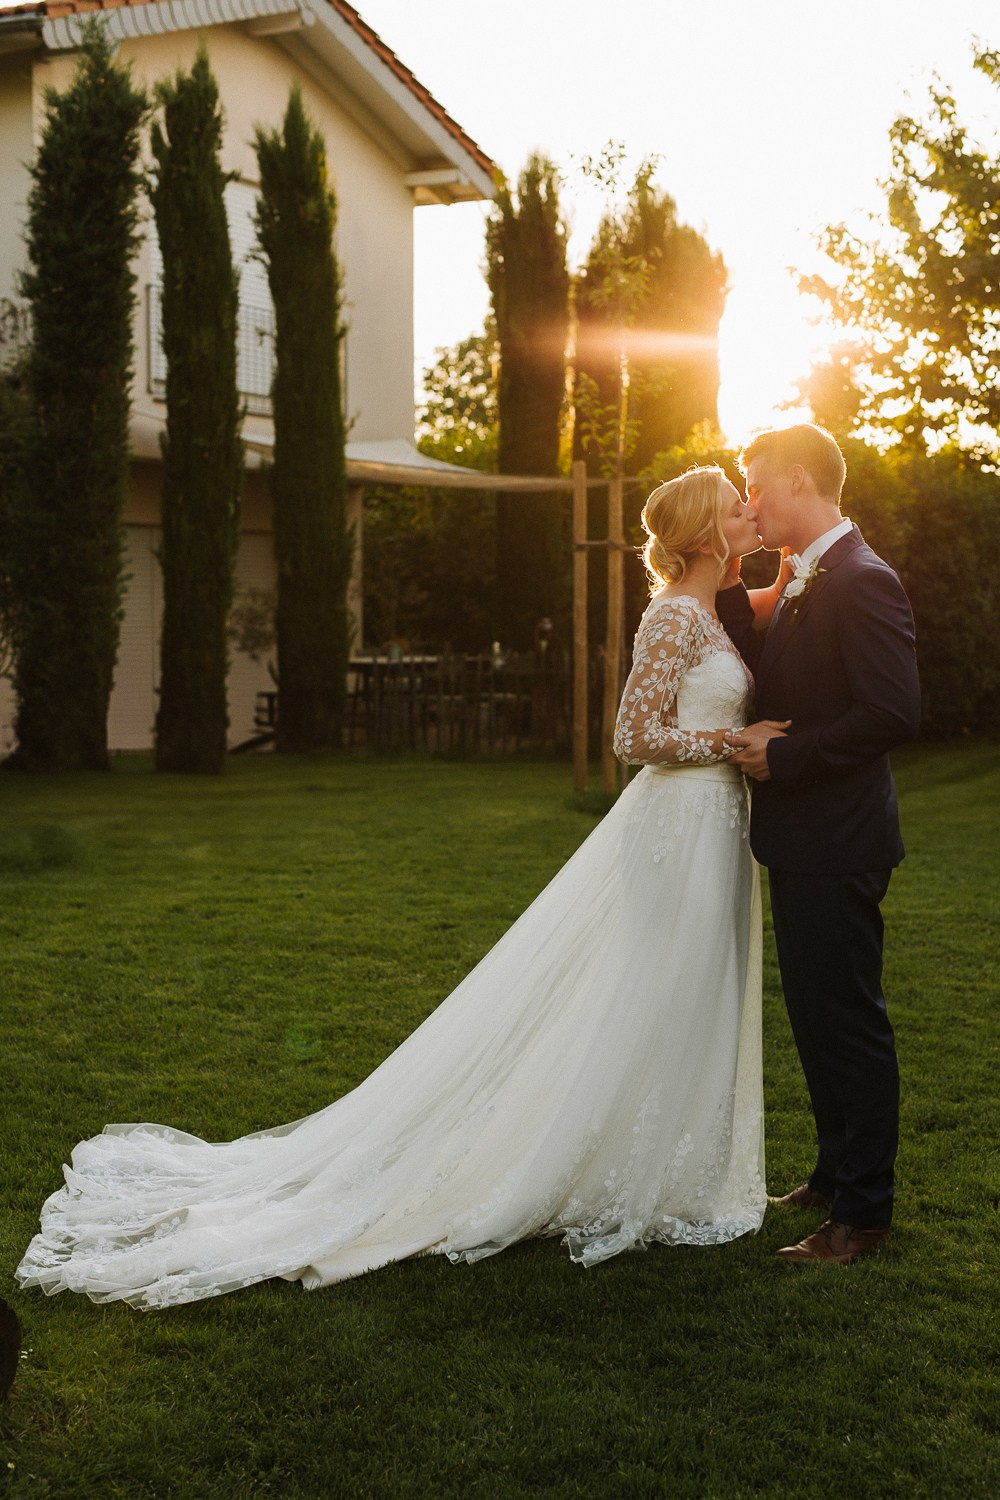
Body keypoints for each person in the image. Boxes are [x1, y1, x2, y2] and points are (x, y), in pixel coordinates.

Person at [18, 467, 770, 1311]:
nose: (750, 513)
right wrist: (735, 742)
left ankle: (668, 1167)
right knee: (656, 991)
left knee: (689, 994)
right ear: (705, 533)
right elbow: (634, 735)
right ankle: (620, 1169)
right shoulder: (672, 615)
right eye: (736, 507)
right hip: (676, 829)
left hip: (710, 830)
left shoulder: (711, 609)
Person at [719, 424, 920, 1266]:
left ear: (799, 478)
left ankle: (863, 1217)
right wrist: (728, 563)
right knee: (814, 1018)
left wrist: (786, 756)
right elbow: (755, 644)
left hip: (839, 840)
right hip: (803, 841)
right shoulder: (803, 575)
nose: (751, 499)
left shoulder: (864, 581)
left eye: (757, 485)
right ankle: (834, 1175)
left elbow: (891, 711)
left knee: (849, 1024)